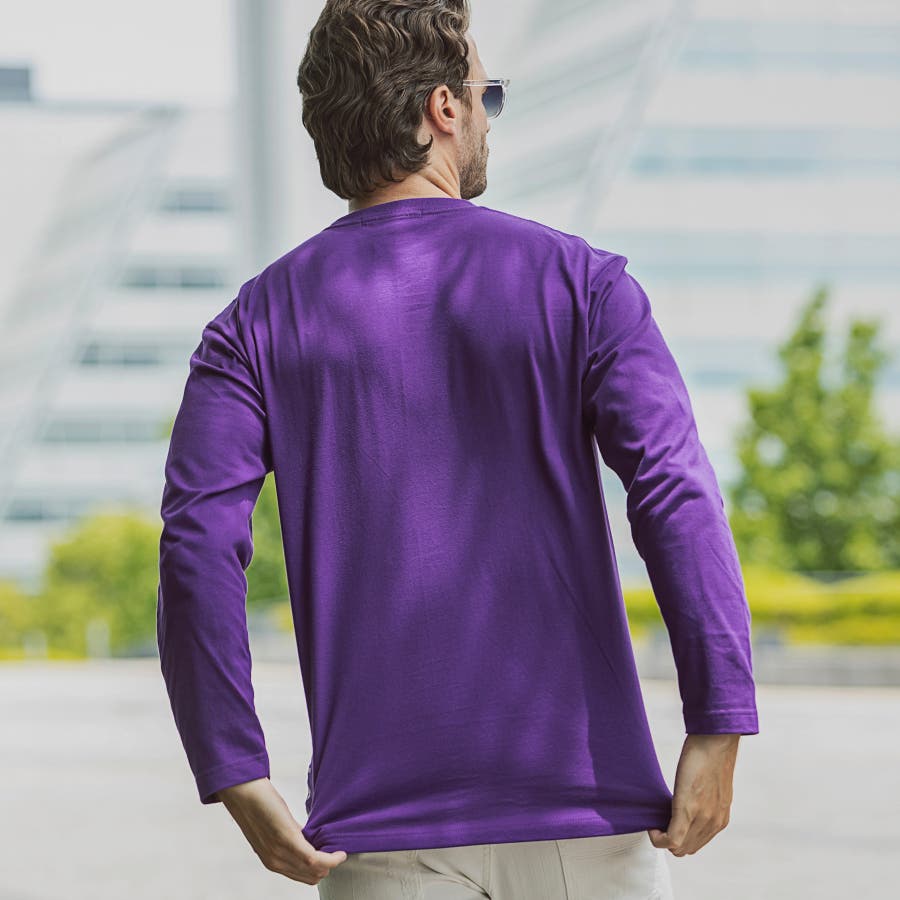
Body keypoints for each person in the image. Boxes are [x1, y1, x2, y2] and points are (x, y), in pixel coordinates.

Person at [156, 2, 759, 897]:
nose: (486, 116)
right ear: (443, 108)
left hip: (381, 838)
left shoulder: (253, 325)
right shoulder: (583, 286)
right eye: (487, 95)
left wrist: (232, 765)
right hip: (586, 819)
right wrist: (718, 717)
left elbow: (196, 547)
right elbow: (674, 490)